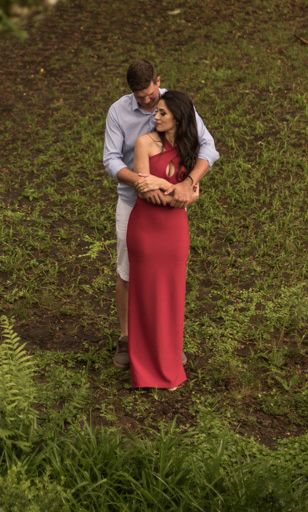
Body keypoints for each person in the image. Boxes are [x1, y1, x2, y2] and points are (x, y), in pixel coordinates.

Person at [102, 60, 218, 369]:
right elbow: (111, 160)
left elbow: (208, 147)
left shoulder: (176, 105)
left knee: (168, 274)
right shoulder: (118, 112)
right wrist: (141, 182)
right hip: (133, 201)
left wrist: (189, 184)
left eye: (150, 95)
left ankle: (166, 340)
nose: (147, 103)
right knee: (127, 270)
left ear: (158, 82)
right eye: (139, 98)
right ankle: (127, 338)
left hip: (169, 203)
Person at [127, 90, 199, 388]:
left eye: (162, 113)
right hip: (146, 229)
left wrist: (165, 185)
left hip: (175, 234)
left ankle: (169, 367)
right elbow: (146, 190)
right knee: (144, 297)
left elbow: (195, 193)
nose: (155, 117)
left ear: (178, 119)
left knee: (172, 297)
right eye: (156, 112)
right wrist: (174, 191)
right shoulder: (144, 143)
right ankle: (143, 371)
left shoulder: (189, 148)